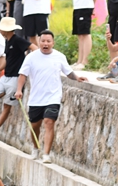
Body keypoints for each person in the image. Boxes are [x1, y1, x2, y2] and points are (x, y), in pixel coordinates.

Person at [15, 30, 88, 163]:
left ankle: (46, 154)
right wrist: (19, 90)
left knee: (49, 122)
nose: (45, 43)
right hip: (36, 98)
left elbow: (68, 72)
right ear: (38, 41)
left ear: (53, 43)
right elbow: (23, 74)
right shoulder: (31, 57)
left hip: (53, 97)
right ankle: (35, 148)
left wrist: (77, 78)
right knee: (34, 126)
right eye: (43, 41)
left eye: (48, 41)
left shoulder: (59, 56)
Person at [0, 17, 37, 135]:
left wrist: (32, 62)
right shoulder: (7, 41)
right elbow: (7, 58)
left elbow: (34, 47)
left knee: (6, 106)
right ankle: (7, 93)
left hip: (15, 77)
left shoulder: (17, 40)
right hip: (6, 75)